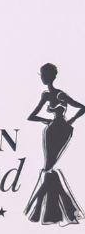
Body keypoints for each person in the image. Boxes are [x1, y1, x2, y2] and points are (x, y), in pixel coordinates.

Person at [25, 62, 83, 225]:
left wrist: (70, 120)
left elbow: (82, 107)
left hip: (62, 130)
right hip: (51, 130)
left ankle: (40, 209)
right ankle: (56, 211)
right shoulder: (45, 95)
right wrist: (47, 121)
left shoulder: (60, 95)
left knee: (49, 168)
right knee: (48, 169)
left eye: (45, 75)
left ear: (52, 76)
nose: (43, 78)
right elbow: (31, 116)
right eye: (42, 75)